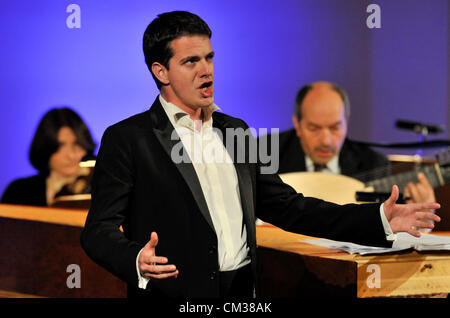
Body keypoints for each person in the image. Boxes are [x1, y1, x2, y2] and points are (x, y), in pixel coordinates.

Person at [80, 11, 440, 299]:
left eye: (209, 57)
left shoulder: (237, 130)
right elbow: (98, 231)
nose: (206, 70)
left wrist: (377, 219)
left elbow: (287, 206)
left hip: (242, 294)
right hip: (173, 295)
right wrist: (136, 260)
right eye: (191, 61)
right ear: (161, 72)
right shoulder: (128, 138)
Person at [260, 81, 436, 204]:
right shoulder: (264, 153)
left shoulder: (373, 164)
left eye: (335, 127)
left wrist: (419, 218)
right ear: (297, 124)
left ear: (346, 121)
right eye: (314, 128)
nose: (326, 140)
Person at [1, 107, 96, 206]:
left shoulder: (103, 185)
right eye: (60, 147)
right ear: (45, 148)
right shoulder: (19, 191)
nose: (71, 155)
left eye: (77, 144)